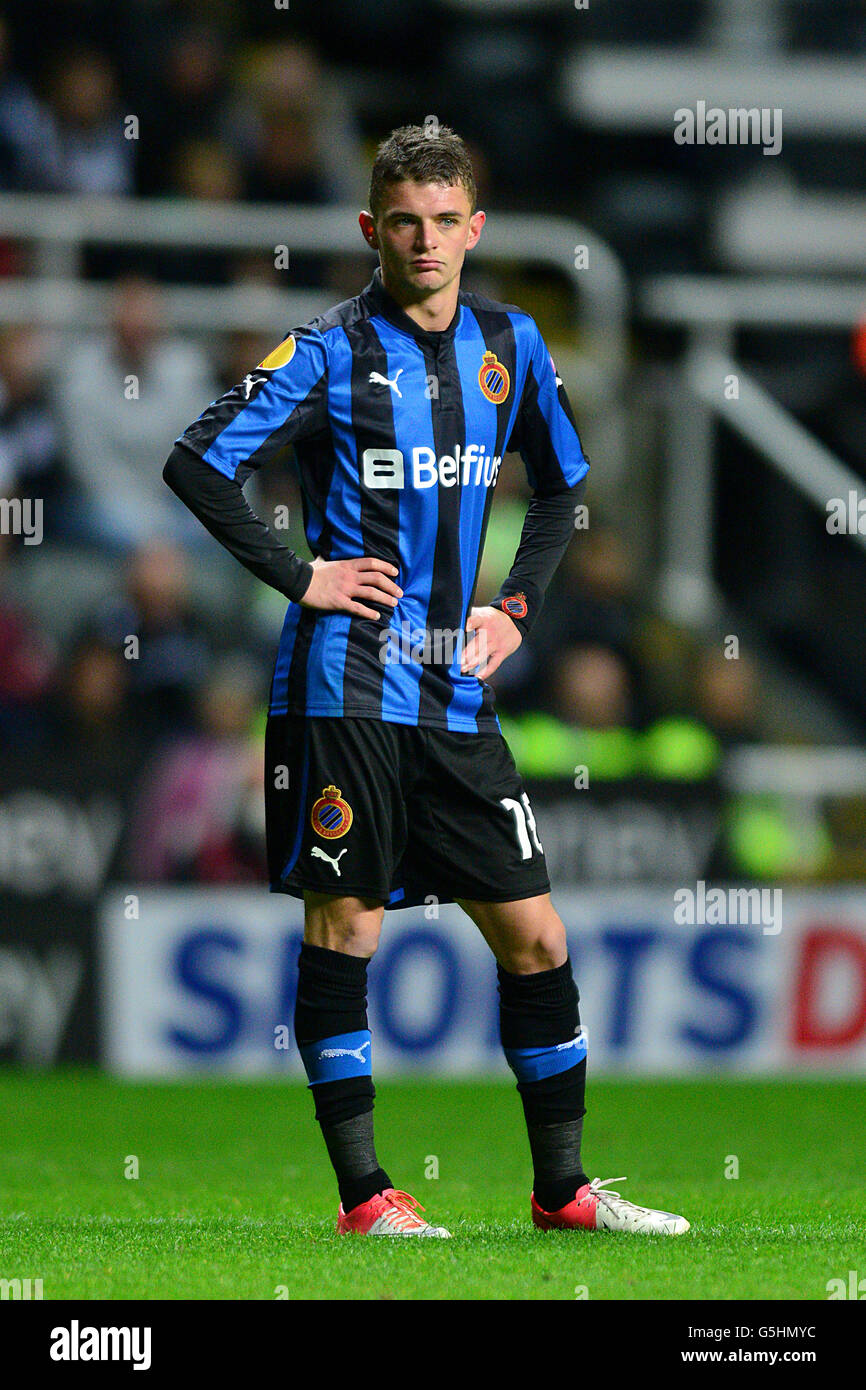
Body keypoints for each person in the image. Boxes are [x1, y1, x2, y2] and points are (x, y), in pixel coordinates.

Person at [163, 124, 690, 1239]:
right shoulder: (323, 352)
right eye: (403, 221)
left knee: (536, 937)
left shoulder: (512, 344)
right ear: (371, 229)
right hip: (342, 687)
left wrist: (512, 609)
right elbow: (197, 461)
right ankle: (365, 1196)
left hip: (456, 696)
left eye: (444, 220)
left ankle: (562, 1191)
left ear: (474, 228)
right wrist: (300, 575)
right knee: (346, 925)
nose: (425, 240)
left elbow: (557, 497)